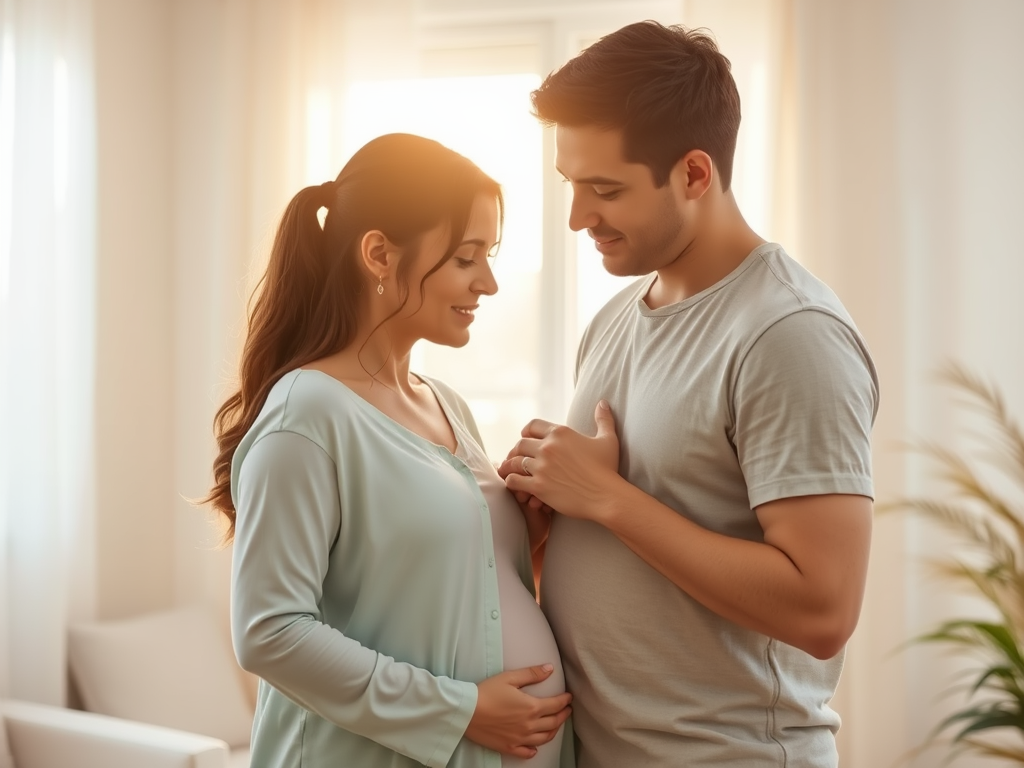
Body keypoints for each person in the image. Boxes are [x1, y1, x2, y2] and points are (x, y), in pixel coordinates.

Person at [498, 21, 878, 768]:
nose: (578, 217)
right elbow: (635, 576)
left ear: (695, 174)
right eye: (571, 185)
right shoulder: (613, 320)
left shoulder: (789, 333)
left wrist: (607, 499)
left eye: (606, 190)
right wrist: (547, 525)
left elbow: (823, 610)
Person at [204, 133, 573, 768]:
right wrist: (458, 711)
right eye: (466, 257)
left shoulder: (445, 403)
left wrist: (523, 535)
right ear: (378, 254)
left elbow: (428, 582)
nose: (488, 283)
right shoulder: (306, 414)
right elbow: (269, 631)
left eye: (489, 256)